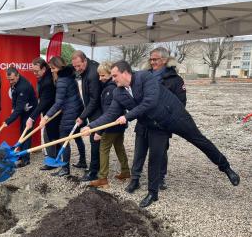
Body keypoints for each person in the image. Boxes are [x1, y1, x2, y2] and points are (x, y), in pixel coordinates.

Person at [82, 60, 240, 208]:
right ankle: (153, 193)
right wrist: (91, 126)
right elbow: (110, 114)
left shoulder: (144, 77)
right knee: (155, 156)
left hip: (175, 116)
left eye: (115, 75)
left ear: (126, 73)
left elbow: (149, 102)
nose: (113, 79)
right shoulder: (118, 93)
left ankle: (225, 167)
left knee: (200, 141)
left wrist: (127, 116)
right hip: (155, 125)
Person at [126, 47, 187, 194]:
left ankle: (160, 178)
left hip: (161, 125)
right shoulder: (144, 76)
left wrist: (165, 119)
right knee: (139, 151)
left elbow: (180, 104)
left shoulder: (175, 80)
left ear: (165, 60)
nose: (152, 62)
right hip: (143, 122)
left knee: (159, 153)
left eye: (156, 59)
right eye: (151, 59)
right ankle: (135, 179)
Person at [39, 56, 84, 177]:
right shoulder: (70, 76)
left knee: (64, 137)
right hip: (78, 109)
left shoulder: (62, 81)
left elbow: (58, 102)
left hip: (70, 111)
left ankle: (65, 168)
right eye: (51, 68)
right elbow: (67, 97)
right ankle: (83, 161)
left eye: (53, 68)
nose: (52, 70)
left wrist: (46, 117)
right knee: (77, 136)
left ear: (59, 66)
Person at [88, 61, 130, 189]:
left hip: (112, 126)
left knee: (103, 149)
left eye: (103, 75)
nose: (100, 79)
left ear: (111, 74)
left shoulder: (109, 90)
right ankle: (125, 171)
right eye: (99, 76)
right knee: (119, 147)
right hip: (120, 125)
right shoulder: (116, 87)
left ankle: (102, 179)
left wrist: (99, 132)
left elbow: (108, 113)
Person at [26, 57, 62, 170]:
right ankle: (56, 157)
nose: (35, 73)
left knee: (49, 136)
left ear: (44, 69)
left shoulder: (47, 82)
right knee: (53, 136)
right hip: (50, 111)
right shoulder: (44, 78)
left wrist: (32, 117)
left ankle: (52, 161)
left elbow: (44, 102)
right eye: (33, 71)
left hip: (53, 113)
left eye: (37, 71)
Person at [72, 50, 102, 181]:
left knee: (95, 140)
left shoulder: (92, 74)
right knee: (97, 141)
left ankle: (94, 171)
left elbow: (95, 100)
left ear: (85, 60)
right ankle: (97, 167)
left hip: (98, 112)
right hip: (92, 110)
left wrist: (83, 116)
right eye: (75, 67)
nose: (78, 69)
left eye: (79, 65)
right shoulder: (86, 70)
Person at [4, 67, 37, 167]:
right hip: (24, 109)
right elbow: (14, 96)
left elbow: (19, 108)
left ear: (17, 76)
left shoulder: (23, 86)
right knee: (22, 132)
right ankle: (22, 154)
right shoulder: (15, 82)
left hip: (31, 111)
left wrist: (8, 121)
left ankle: (25, 159)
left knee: (26, 134)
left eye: (12, 79)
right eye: (8, 79)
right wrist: (13, 107)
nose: (10, 81)